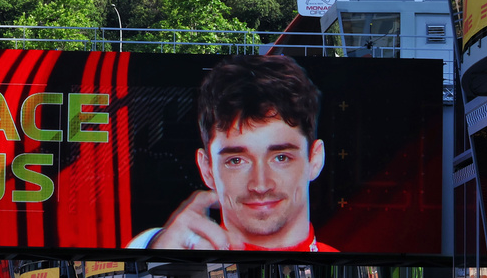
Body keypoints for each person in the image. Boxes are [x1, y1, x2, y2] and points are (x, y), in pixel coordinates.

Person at [129, 55, 335, 252]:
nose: (260, 185)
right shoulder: (177, 262)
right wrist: (152, 255)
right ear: (206, 168)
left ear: (315, 159)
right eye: (236, 160)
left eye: (281, 158)